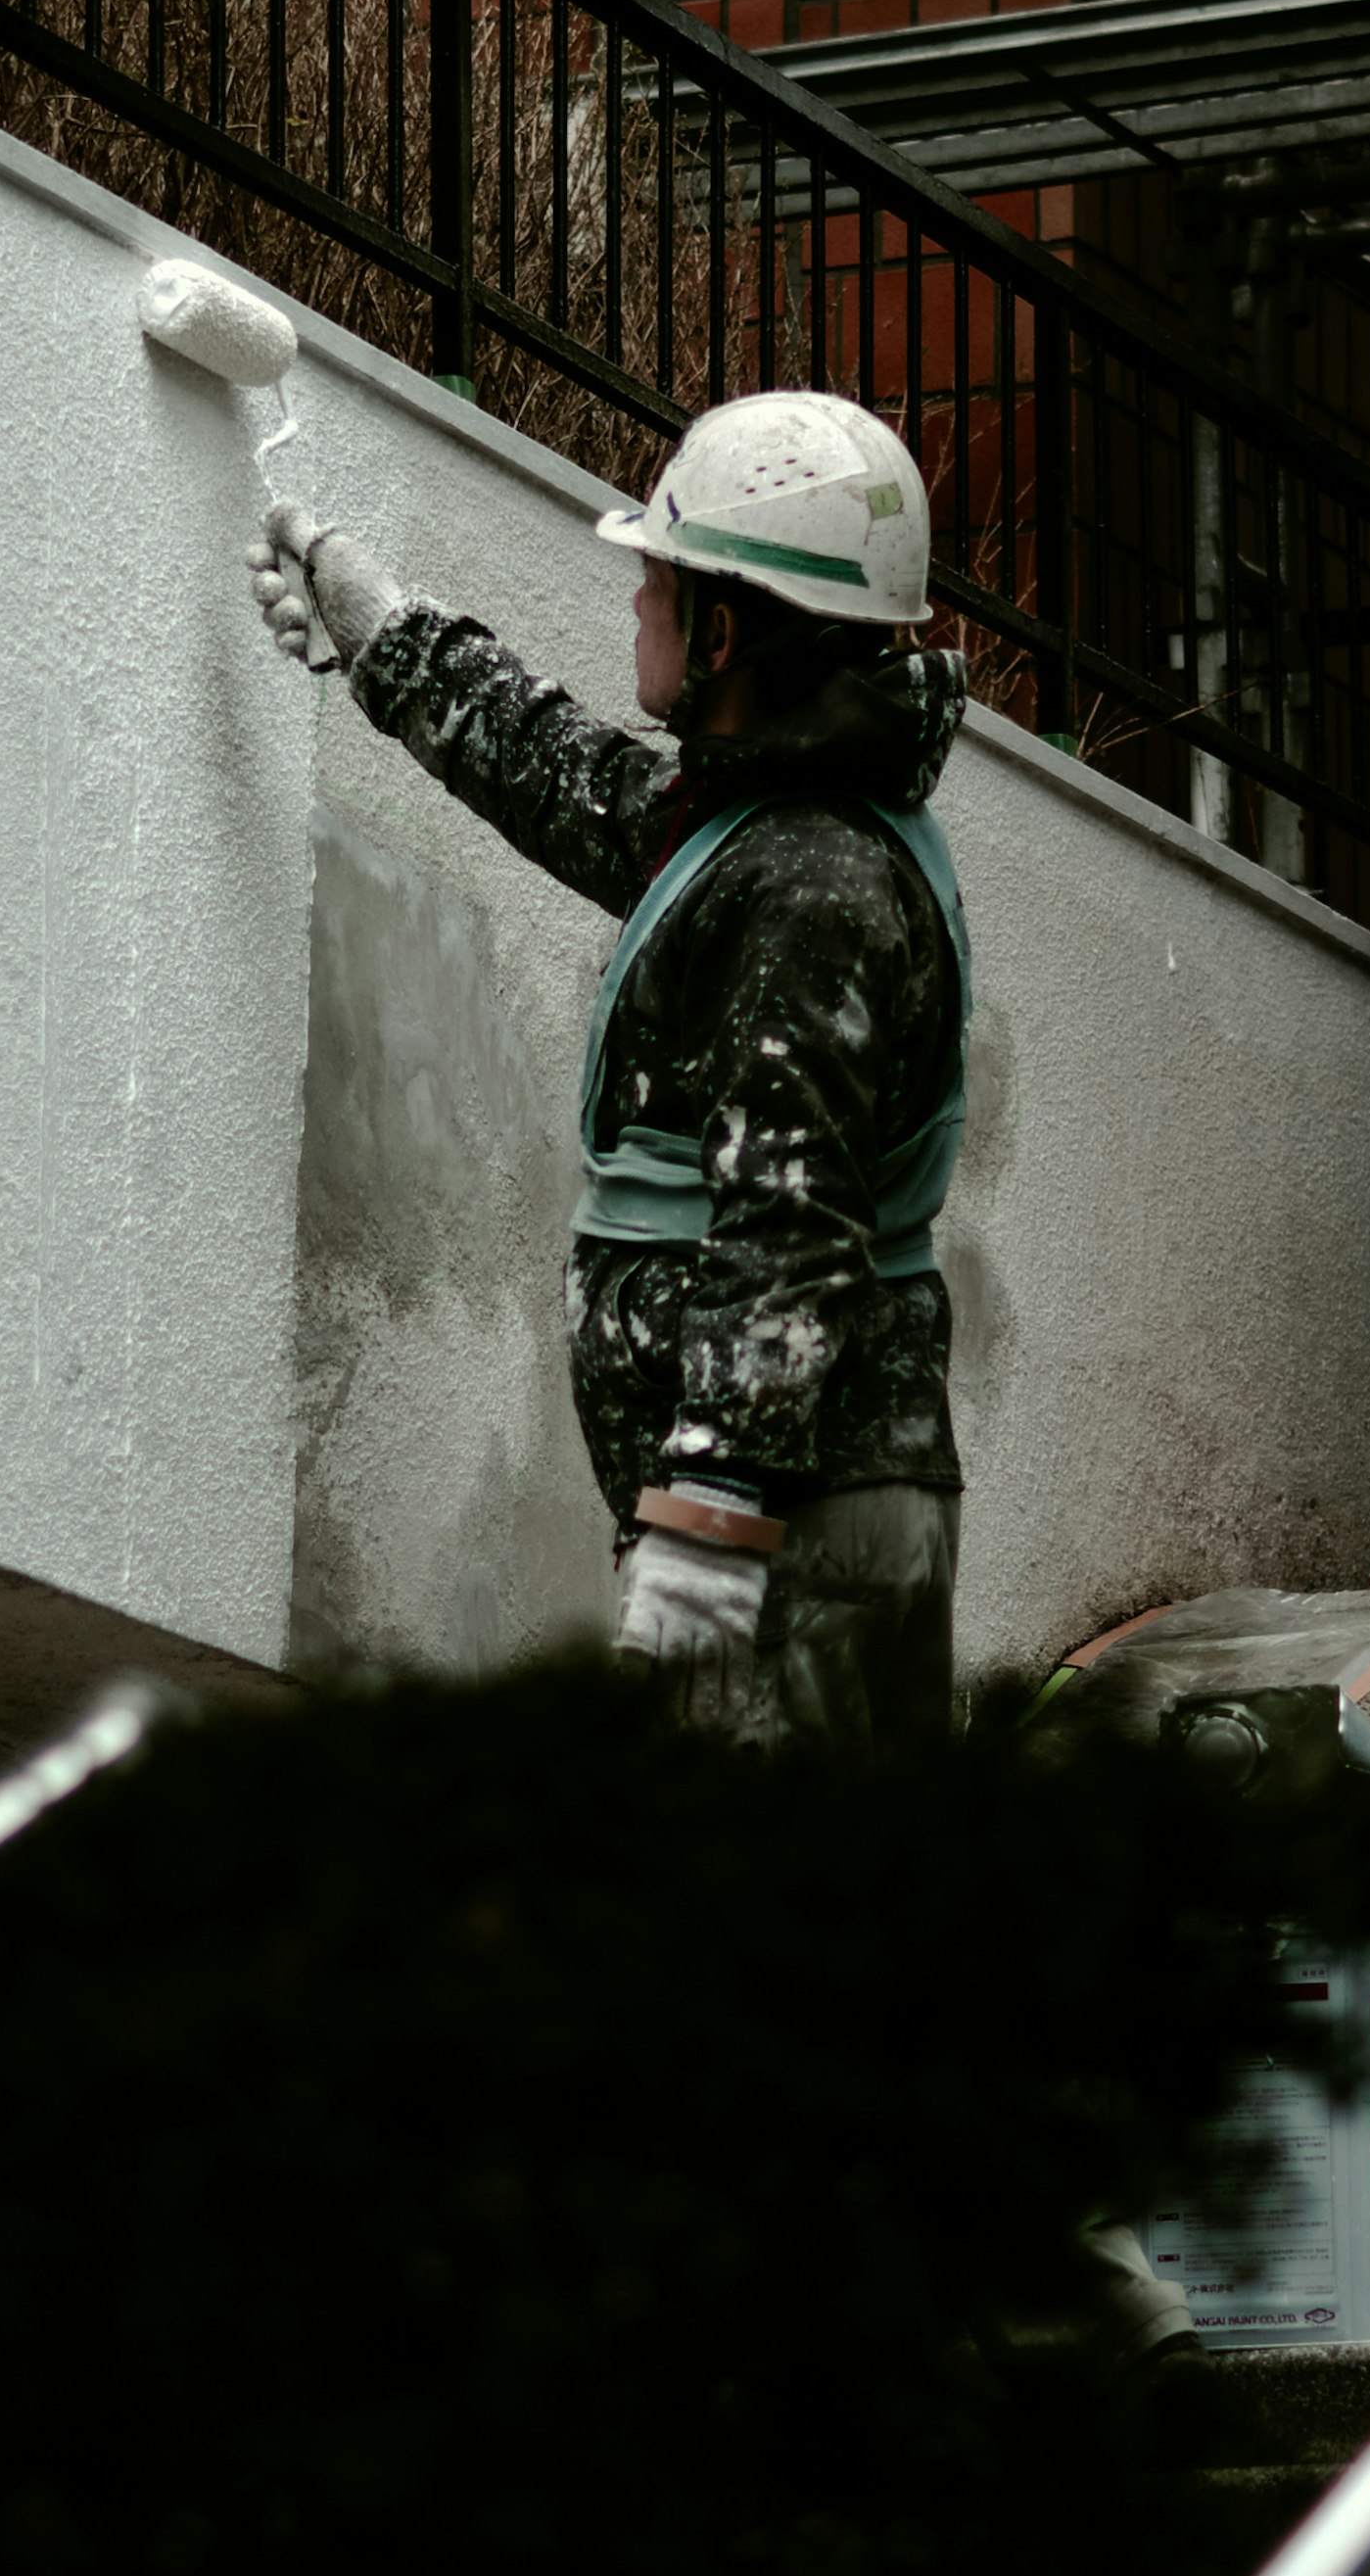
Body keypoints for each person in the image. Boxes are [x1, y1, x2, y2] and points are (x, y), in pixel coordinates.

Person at [246, 391, 972, 1747]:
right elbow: (579, 785)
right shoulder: (774, 824)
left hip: (788, 1550)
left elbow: (785, 1243)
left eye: (659, 582)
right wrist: (383, 635)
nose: (636, 605)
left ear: (734, 627)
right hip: (782, 1527)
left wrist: (703, 1545)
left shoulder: (811, 881)